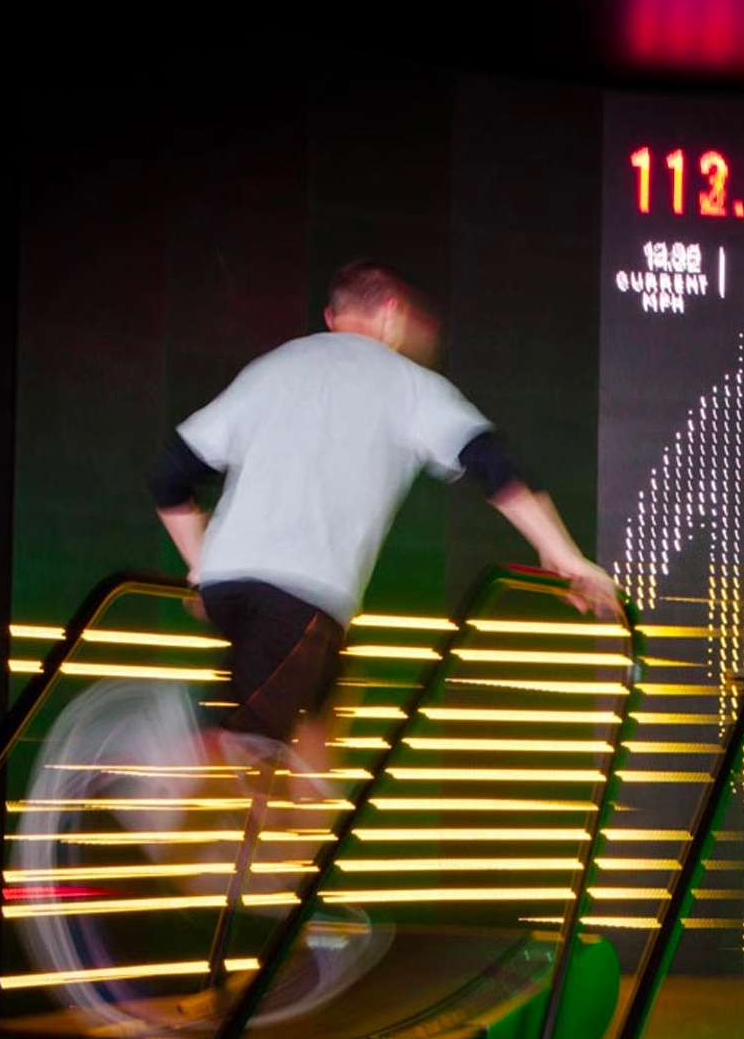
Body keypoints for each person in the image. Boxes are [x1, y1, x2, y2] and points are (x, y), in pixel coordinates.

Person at [149, 260, 622, 775]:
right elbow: (491, 462)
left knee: (319, 734)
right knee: (231, 754)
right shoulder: (405, 382)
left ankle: (288, 828)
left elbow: (171, 473)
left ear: (332, 317)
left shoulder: (274, 367)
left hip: (243, 593)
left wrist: (202, 562)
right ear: (392, 314)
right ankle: (119, 783)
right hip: (298, 595)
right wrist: (562, 554)